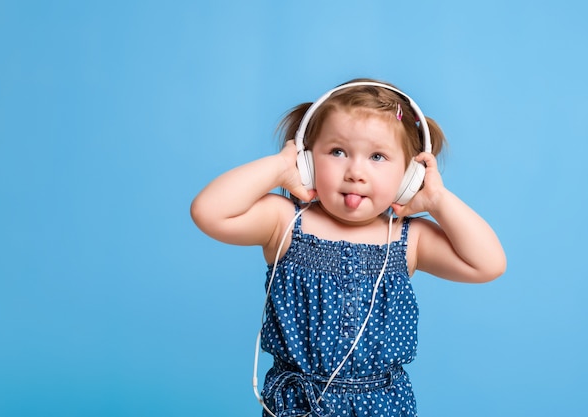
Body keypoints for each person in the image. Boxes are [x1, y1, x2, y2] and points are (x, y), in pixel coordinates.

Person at [190, 78, 506, 417]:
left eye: (377, 157)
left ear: (408, 177)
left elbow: (488, 264)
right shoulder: (284, 223)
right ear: (308, 161)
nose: (355, 172)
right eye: (337, 152)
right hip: (298, 406)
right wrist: (281, 167)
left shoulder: (407, 238)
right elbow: (208, 212)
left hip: (383, 407)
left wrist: (439, 200)